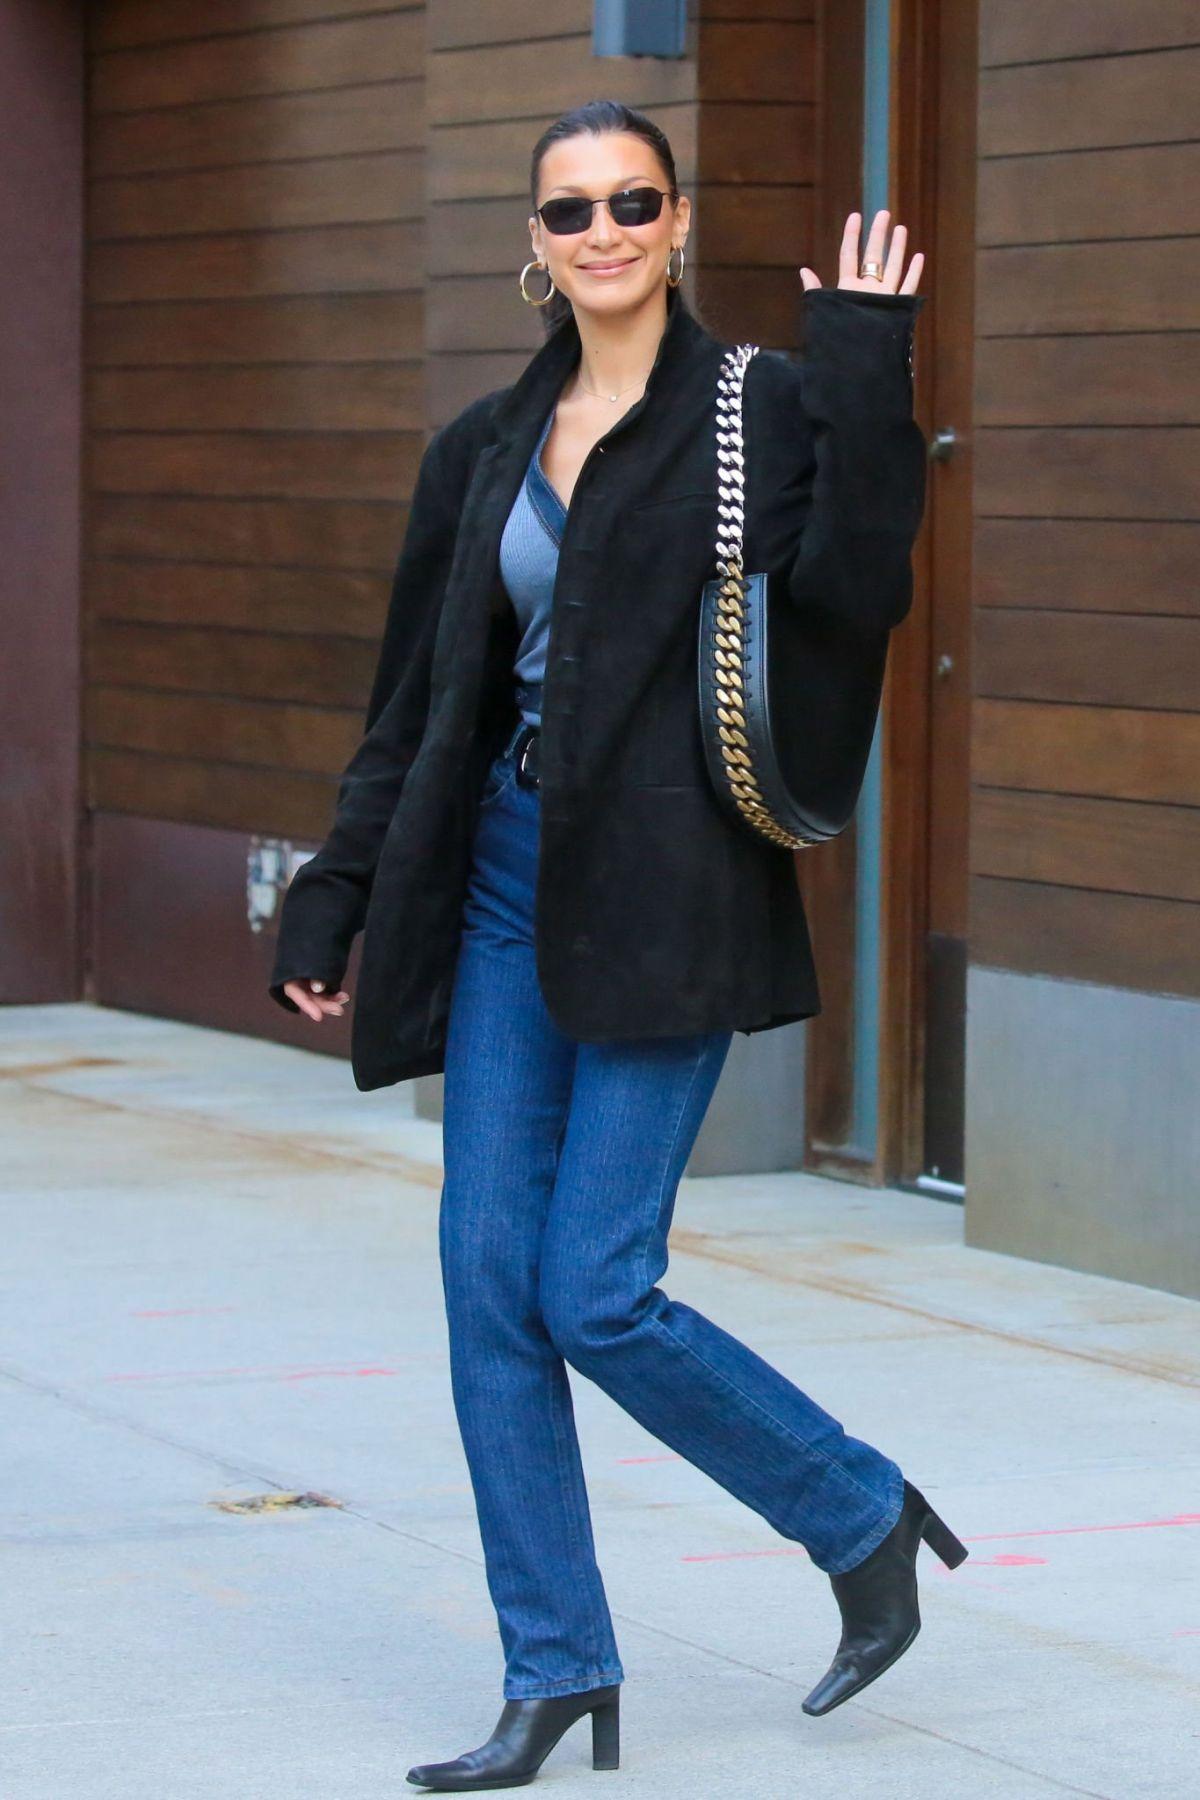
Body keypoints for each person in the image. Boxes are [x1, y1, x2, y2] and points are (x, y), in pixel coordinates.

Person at [272, 99, 966, 1795]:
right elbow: (415, 708)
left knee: (594, 1287)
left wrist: (865, 359)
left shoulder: (761, 408)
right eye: (571, 207)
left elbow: (865, 580)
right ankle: (555, 1667)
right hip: (501, 884)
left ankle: (856, 1511)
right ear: (538, 237)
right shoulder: (482, 450)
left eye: (631, 201)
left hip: (672, 897)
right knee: (486, 1290)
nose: (602, 231)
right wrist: (339, 888)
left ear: (676, 220)